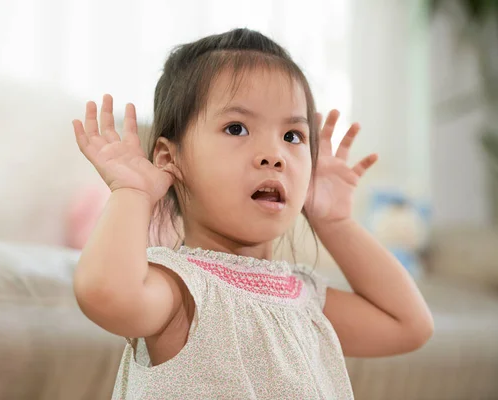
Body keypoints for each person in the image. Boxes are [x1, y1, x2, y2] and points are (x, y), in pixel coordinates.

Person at [71, 28, 433, 399]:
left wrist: (335, 221)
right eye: (237, 128)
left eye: (293, 136)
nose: (273, 154)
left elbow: (409, 324)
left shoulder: (303, 299)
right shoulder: (182, 291)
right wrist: (132, 191)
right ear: (169, 159)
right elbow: (106, 293)